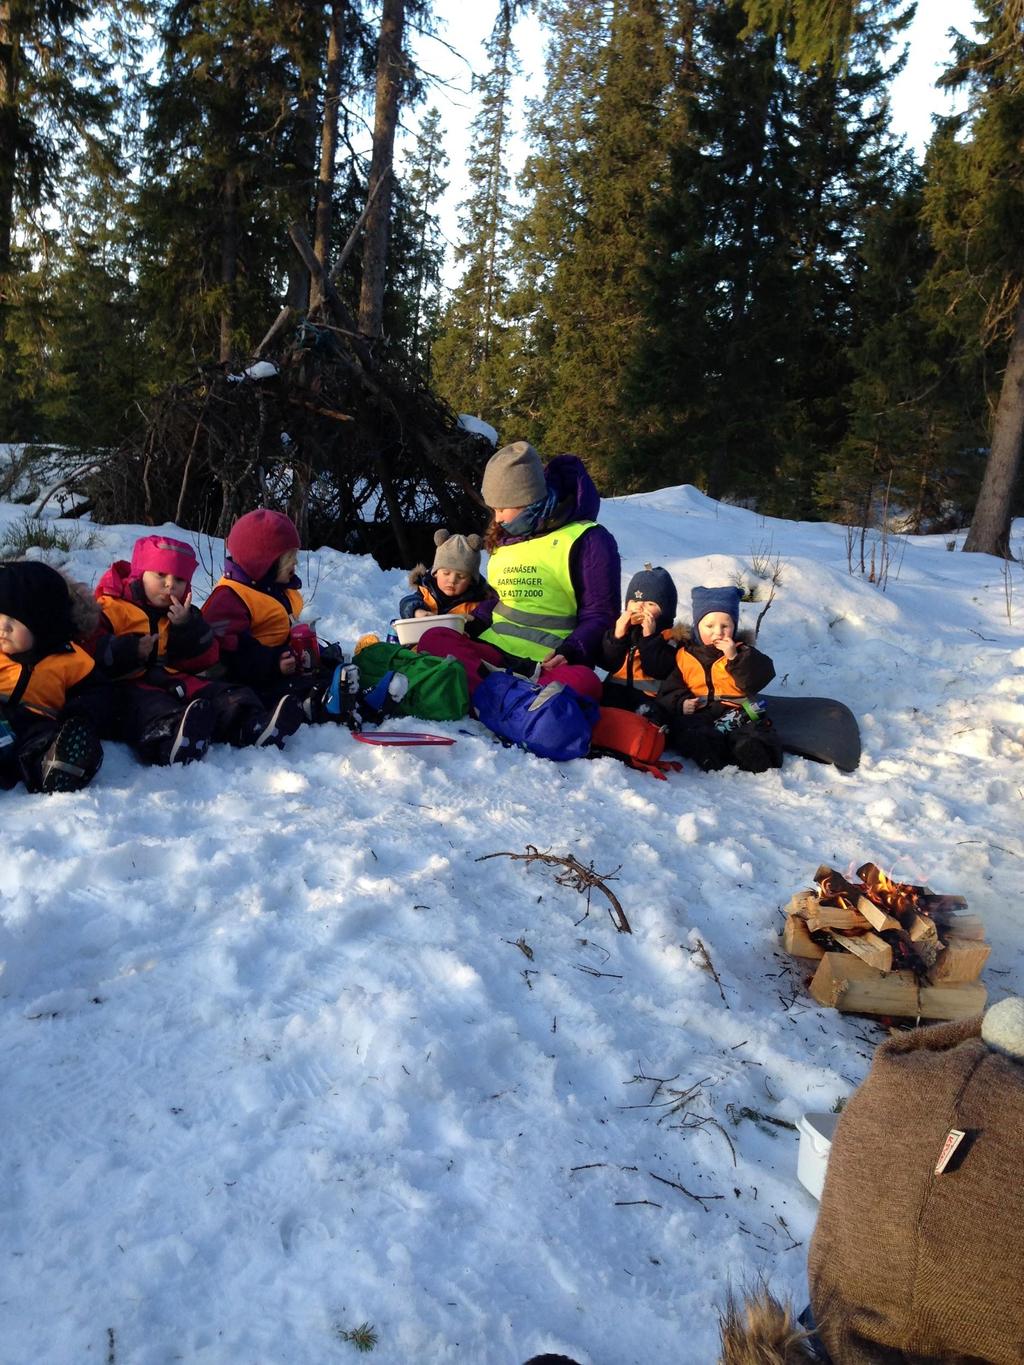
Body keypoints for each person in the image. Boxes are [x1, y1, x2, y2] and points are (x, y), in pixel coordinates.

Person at [418, 441, 620, 701]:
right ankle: (511, 700)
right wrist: (474, 620)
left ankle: (484, 692)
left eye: (502, 508)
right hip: (494, 652)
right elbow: (504, 601)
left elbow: (600, 614)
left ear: (528, 499)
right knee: (435, 638)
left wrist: (571, 651)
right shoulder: (506, 539)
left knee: (585, 684)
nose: (498, 518)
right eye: (494, 510)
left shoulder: (588, 539)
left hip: (547, 664)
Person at [91, 533, 302, 765]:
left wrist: (187, 627)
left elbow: (205, 658)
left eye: (179, 580)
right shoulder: (112, 608)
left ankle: (252, 724)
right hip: (128, 685)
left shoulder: (181, 613)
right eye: (160, 575)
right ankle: (171, 742)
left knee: (222, 693)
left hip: (170, 678)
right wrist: (130, 650)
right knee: (153, 708)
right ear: (140, 574)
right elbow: (93, 649)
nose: (170, 584)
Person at [201, 508, 358, 724]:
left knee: (327, 671)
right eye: (288, 558)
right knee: (289, 690)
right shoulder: (229, 599)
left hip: (284, 666)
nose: (295, 564)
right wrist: (274, 662)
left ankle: (359, 699)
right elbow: (229, 655)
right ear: (261, 562)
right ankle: (321, 706)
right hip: (252, 677)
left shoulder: (273, 588)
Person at [0, 560, 110, 793]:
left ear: (43, 624)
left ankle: (58, 765)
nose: (3, 628)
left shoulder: (71, 660)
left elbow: (99, 695)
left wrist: (78, 714)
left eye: (14, 621)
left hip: (35, 726)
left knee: (41, 744)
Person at [653, 585, 781, 773]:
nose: (718, 632)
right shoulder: (685, 655)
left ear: (734, 627)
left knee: (754, 731)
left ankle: (752, 753)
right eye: (710, 626)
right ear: (697, 627)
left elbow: (759, 677)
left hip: (738, 710)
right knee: (688, 730)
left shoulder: (742, 651)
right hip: (701, 712)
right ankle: (711, 755)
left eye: (725, 626)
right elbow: (669, 689)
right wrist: (681, 702)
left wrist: (734, 658)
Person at [599, 562, 679, 710]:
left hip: (650, 698)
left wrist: (649, 638)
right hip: (615, 692)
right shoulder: (623, 630)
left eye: (649, 603)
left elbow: (658, 670)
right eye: (634, 601)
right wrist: (617, 636)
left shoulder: (669, 638)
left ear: (665, 610)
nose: (639, 607)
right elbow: (608, 663)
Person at [398, 530, 495, 619]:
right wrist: (417, 611)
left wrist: (468, 625)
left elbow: (484, 620)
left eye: (461, 576)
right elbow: (406, 602)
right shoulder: (426, 592)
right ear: (435, 573)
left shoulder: (477, 603)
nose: (452, 580)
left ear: (471, 581)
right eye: (446, 573)